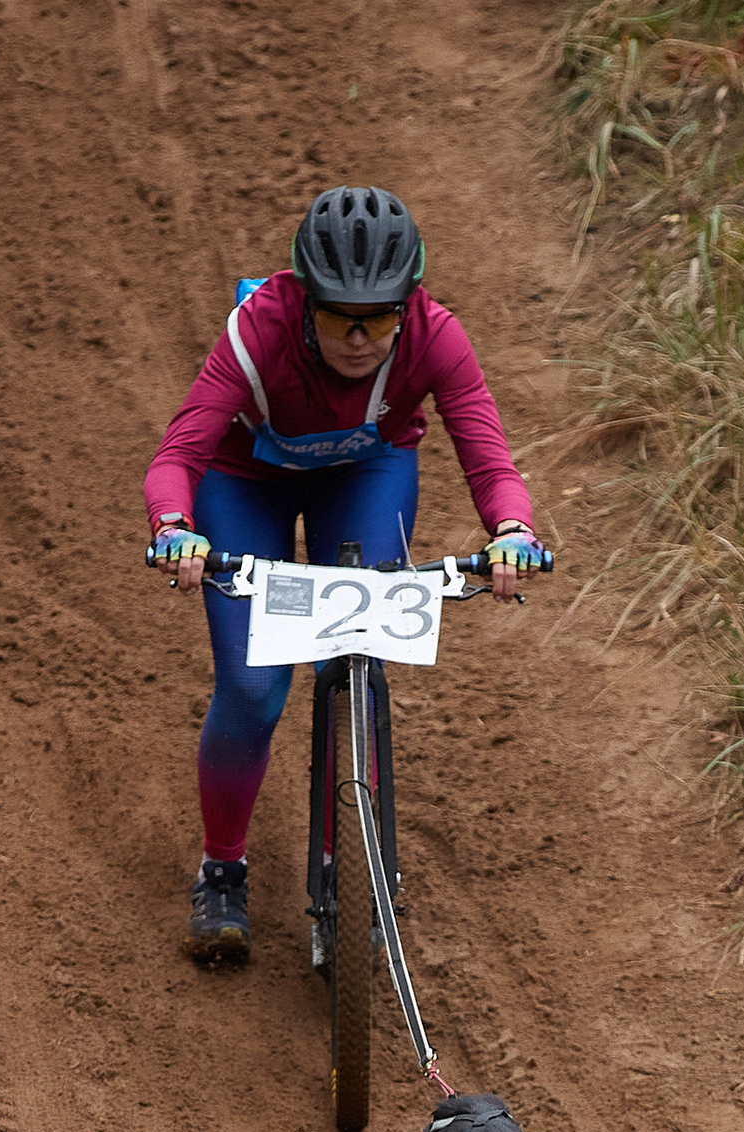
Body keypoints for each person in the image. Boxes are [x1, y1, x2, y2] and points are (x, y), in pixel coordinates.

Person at [143, 186, 547, 964]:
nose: (360, 338)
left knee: (352, 669)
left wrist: (513, 531)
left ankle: (346, 864)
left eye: (380, 316)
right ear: (303, 302)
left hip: (364, 478)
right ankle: (222, 868)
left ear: (409, 303)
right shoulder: (256, 332)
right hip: (244, 485)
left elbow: (488, 456)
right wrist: (175, 527)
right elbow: (178, 456)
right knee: (256, 689)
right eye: (338, 316)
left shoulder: (436, 336)